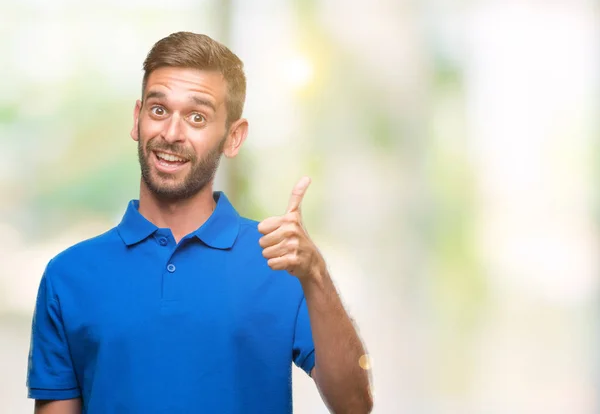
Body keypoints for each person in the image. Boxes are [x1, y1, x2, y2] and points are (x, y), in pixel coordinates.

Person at [26, 31, 372, 414]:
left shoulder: (279, 263)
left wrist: (316, 274)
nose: (172, 134)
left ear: (233, 137)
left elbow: (355, 405)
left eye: (197, 117)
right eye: (159, 110)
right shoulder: (68, 276)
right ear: (137, 118)